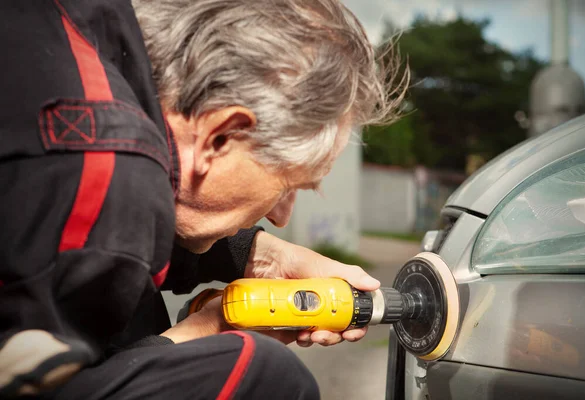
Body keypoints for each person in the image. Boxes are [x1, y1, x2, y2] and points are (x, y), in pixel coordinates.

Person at [0, 0, 406, 398]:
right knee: (265, 374)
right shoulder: (103, 174)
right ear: (220, 136)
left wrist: (260, 255)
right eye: (289, 186)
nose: (282, 218)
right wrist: (201, 334)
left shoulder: (81, 29)